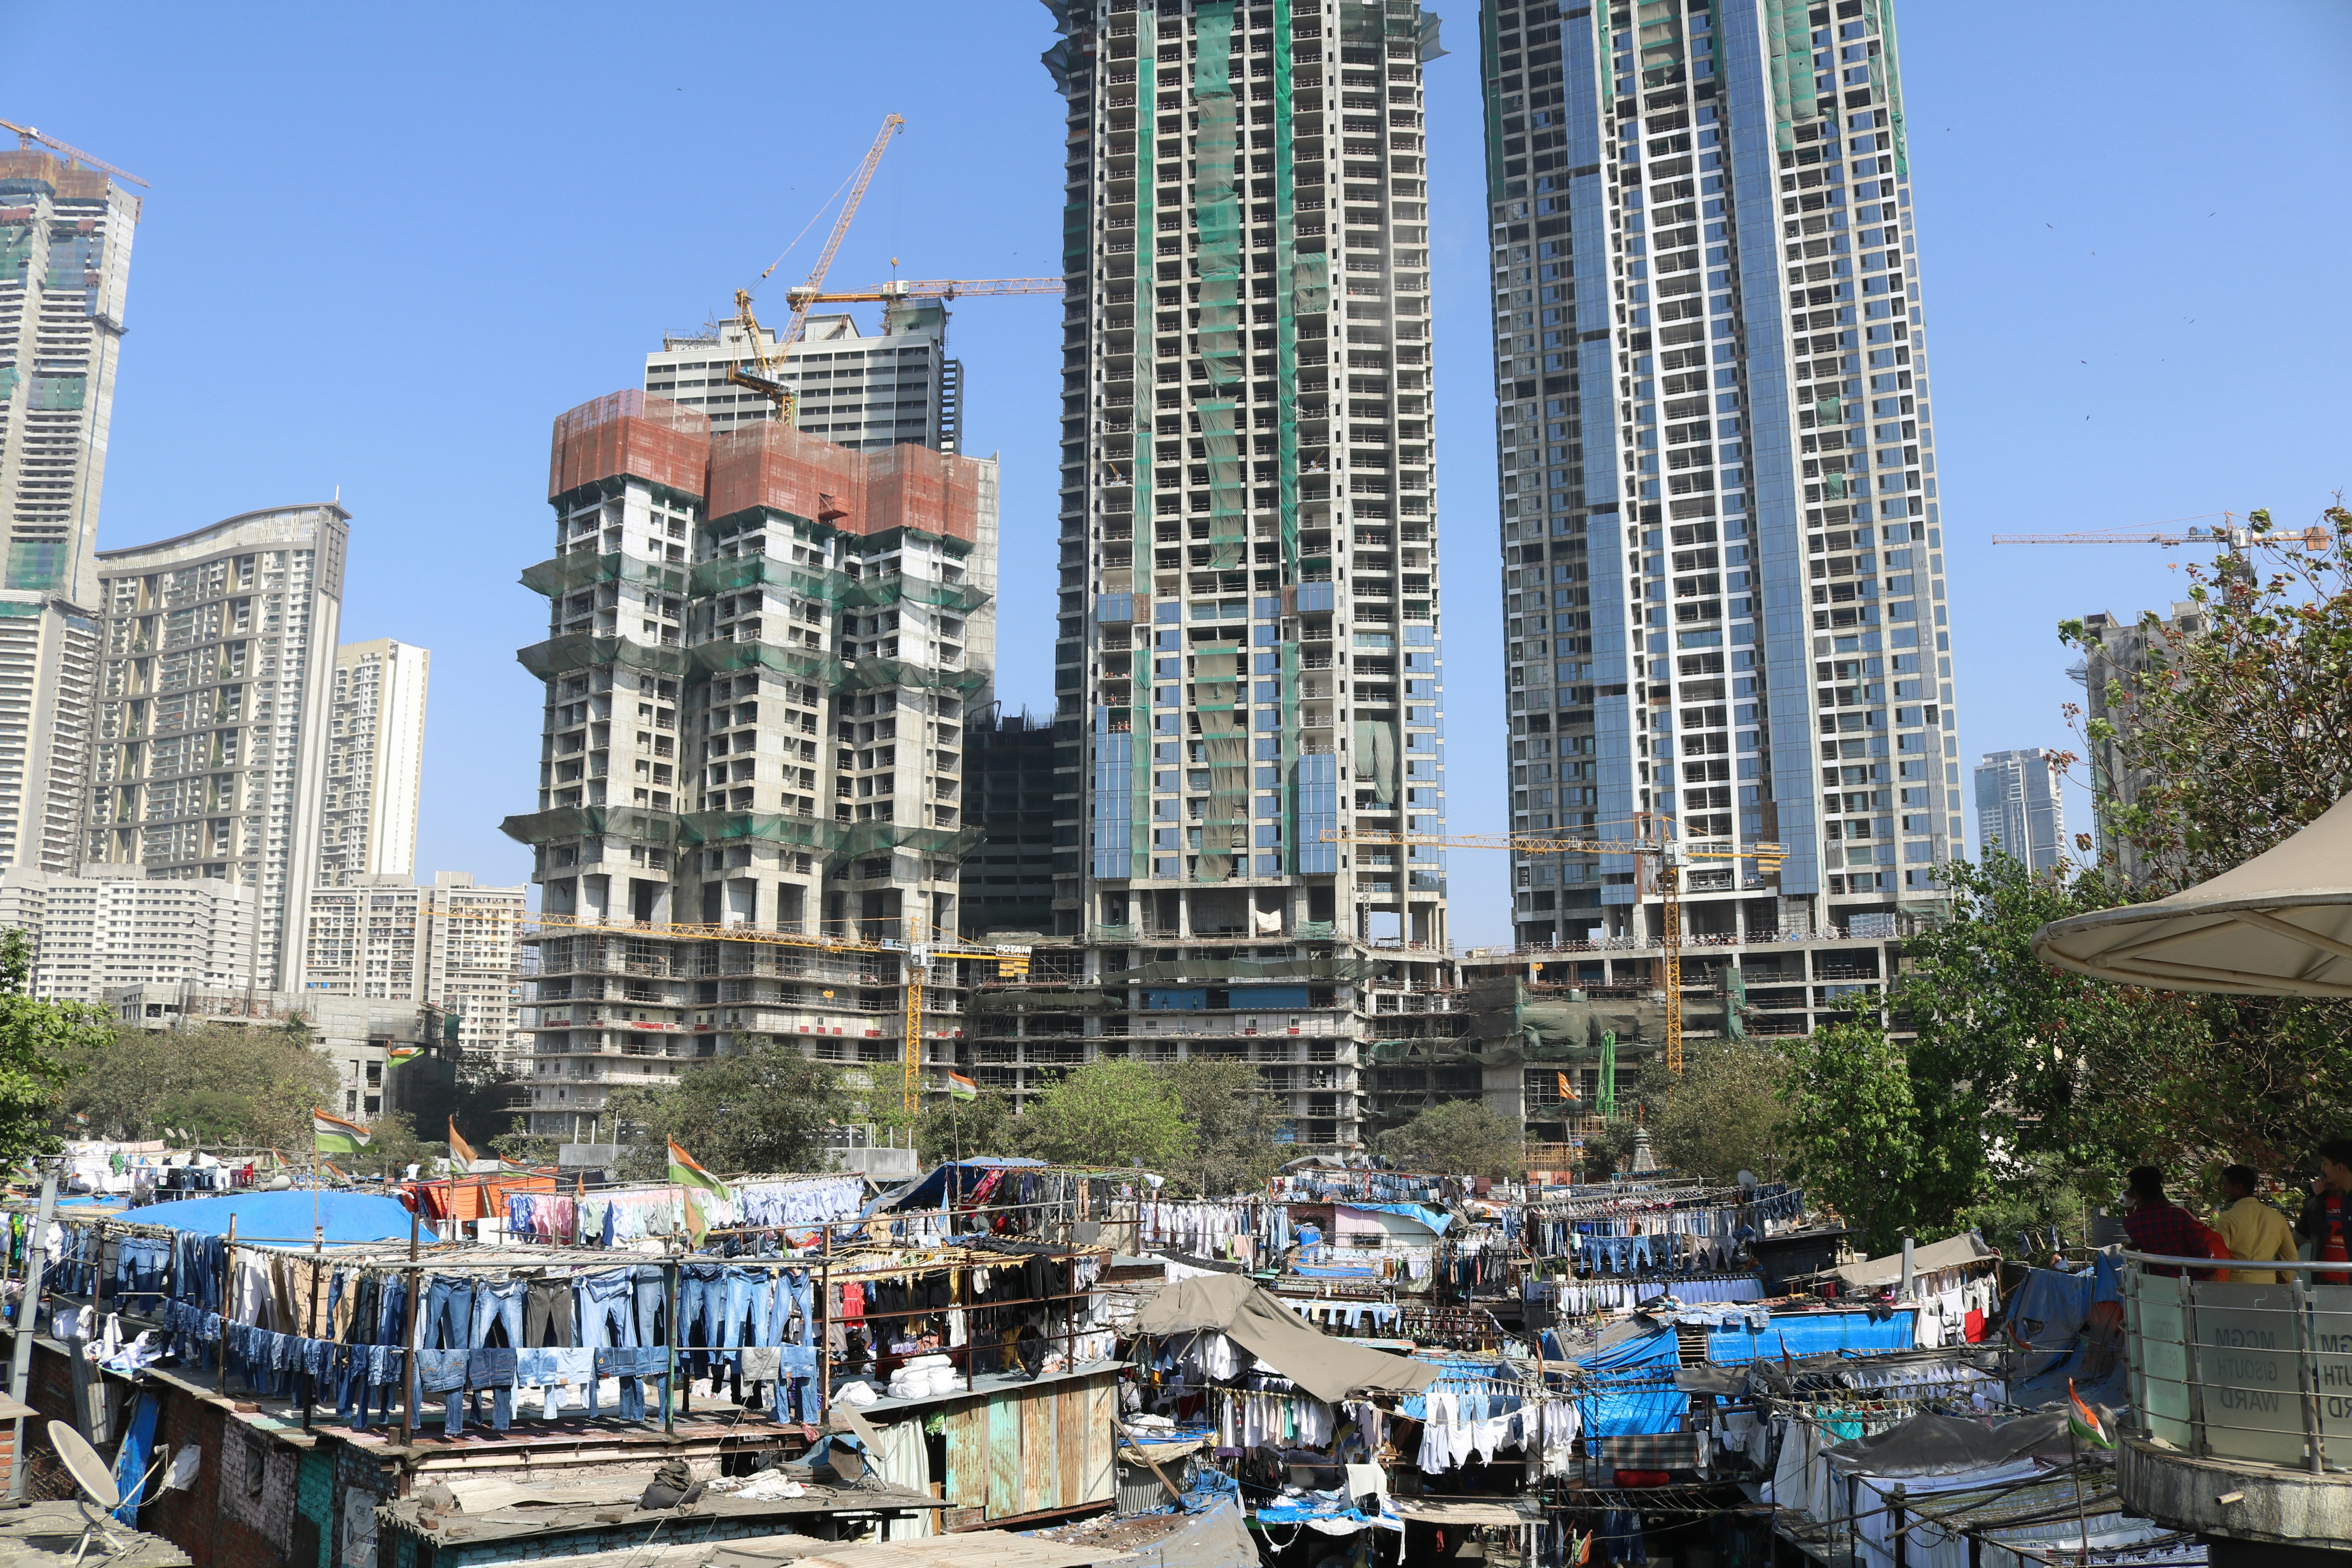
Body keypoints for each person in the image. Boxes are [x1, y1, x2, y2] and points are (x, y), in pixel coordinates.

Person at [2212, 1164, 2299, 1285]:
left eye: (2227, 1185)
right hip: (2268, 1285)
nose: (2224, 1190)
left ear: (2239, 1187)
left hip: (2236, 1286)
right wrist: (2285, 1282)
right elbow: (2291, 1257)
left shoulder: (2227, 1218)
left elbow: (2221, 1257)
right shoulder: (2278, 1218)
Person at [2120, 1167, 2208, 1278]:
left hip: (2158, 1284)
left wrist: (2128, 1206)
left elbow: (2134, 1223)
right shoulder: (2179, 1216)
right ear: (2161, 1190)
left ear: (2136, 1194)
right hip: (2190, 1281)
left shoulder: (2131, 1223)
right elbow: (2201, 1252)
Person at [2296, 1138, 2352, 1285]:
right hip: (2324, 1281)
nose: (2322, 1169)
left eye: (2325, 1163)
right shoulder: (2321, 1204)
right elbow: (2297, 1238)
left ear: (2340, 1168)